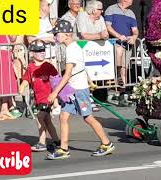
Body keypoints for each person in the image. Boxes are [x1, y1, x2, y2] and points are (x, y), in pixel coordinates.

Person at [46, 20, 115, 160]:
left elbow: (68, 73)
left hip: (78, 90)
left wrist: (55, 92)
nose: (55, 36)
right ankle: (64, 148)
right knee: (63, 116)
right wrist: (89, 81)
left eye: (56, 34)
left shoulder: (72, 49)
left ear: (66, 35)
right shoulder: (72, 47)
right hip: (73, 89)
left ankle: (107, 143)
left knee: (88, 117)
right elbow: (82, 68)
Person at [19, 39, 60, 151]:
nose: (42, 52)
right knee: (47, 120)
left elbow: (56, 82)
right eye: (38, 51)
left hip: (48, 98)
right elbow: (27, 79)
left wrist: (55, 99)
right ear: (32, 53)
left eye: (43, 50)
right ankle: (57, 141)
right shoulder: (31, 67)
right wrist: (22, 87)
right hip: (38, 99)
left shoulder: (48, 66)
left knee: (39, 117)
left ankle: (42, 143)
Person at [76, 0, 109, 112]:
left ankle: (94, 98)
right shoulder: (82, 16)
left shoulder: (101, 19)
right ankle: (86, 100)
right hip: (82, 50)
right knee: (84, 76)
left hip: (96, 51)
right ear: (93, 10)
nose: (102, 11)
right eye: (100, 9)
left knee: (95, 75)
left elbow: (105, 33)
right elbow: (84, 35)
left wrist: (103, 35)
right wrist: (99, 35)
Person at [104, 0, 139, 106]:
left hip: (126, 45)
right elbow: (108, 27)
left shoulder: (130, 13)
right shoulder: (111, 9)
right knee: (114, 69)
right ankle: (111, 92)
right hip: (114, 44)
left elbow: (135, 30)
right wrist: (119, 36)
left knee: (124, 69)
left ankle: (122, 95)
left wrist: (134, 37)